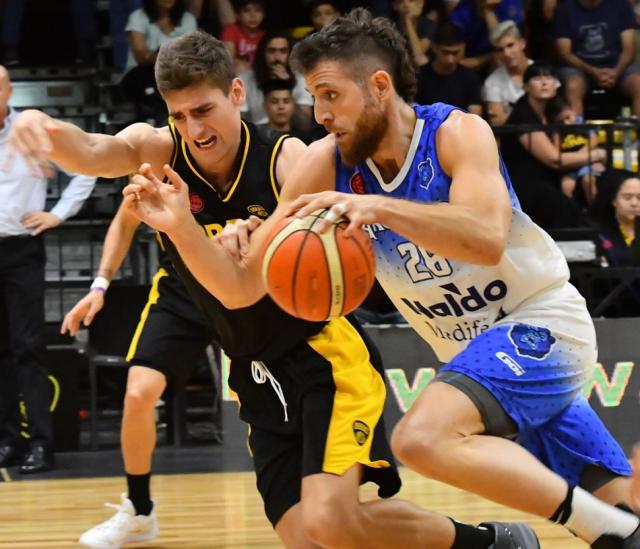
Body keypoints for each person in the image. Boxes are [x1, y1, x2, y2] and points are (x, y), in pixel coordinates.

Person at [115, 11, 640, 548]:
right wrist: (181, 226)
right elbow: (243, 287)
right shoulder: (324, 163)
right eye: (312, 98)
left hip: (540, 323)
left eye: (329, 95)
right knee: (623, 509)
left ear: (378, 86)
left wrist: (378, 207)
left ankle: (569, 529)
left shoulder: (458, 132)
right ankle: (605, 530)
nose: (318, 114)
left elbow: (484, 238)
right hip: (472, 357)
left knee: (422, 438)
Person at [6, 31, 538, 549]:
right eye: (180, 116)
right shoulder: (160, 149)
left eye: (204, 110)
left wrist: (258, 235)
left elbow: (289, 268)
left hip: (318, 358)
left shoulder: (290, 162)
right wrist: (42, 125)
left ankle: (486, 541)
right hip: (253, 366)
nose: (194, 129)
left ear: (237, 93)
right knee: (306, 535)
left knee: (333, 522)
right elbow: (96, 150)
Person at [60, 202, 216, 549]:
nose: (197, 141)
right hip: (181, 290)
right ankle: (140, 510)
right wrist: (99, 285)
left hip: (246, 282)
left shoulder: (269, 157)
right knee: (138, 394)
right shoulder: (158, 161)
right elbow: (124, 220)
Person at [0, 66, 97, 474]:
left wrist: (57, 214)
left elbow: (87, 168)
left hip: (21, 249)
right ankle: (7, 440)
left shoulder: (29, 127)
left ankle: (42, 443)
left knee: (28, 347)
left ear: (8, 90)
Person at [500, 63, 604, 229]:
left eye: (549, 77)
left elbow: (577, 139)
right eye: (537, 78)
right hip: (521, 184)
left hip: (549, 180)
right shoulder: (523, 114)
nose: (544, 82)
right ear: (526, 86)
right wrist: (595, 155)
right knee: (564, 207)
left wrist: (587, 151)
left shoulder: (554, 112)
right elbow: (554, 159)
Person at [554, 0, 640, 117]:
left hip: (618, 65)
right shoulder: (564, 9)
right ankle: (576, 133)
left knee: (638, 84)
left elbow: (629, 49)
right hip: (579, 68)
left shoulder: (621, 4)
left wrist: (616, 72)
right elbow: (564, 53)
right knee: (573, 86)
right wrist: (593, 71)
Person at [121, 0, 197, 123]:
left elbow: (191, 54)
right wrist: (170, 55)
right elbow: (141, 56)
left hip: (176, 72)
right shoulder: (137, 17)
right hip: (141, 74)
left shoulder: (188, 19)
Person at [238, 29, 314, 128]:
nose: (277, 57)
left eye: (283, 51)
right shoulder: (245, 79)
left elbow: (305, 123)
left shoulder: (300, 78)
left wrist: (288, 85)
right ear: (263, 53)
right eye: (271, 51)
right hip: (256, 136)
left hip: (292, 135)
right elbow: (240, 121)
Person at [545, 94, 604, 204]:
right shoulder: (557, 131)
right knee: (566, 185)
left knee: (588, 180)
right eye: (561, 121)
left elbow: (594, 139)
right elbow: (556, 151)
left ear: (573, 111)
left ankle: (594, 209)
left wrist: (581, 153)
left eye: (568, 117)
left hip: (586, 161)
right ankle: (571, 212)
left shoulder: (581, 123)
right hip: (570, 165)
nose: (566, 123)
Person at [415, 22, 483, 116]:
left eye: (455, 53)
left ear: (463, 47)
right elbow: (412, 113)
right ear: (434, 47)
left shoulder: (470, 78)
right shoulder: (419, 77)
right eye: (445, 52)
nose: (450, 59)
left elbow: (475, 116)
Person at [483, 20, 533, 126]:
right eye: (500, 50)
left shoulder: (543, 72)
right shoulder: (492, 82)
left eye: (510, 45)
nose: (506, 53)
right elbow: (498, 122)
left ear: (522, 43)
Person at [221, 0, 265, 72]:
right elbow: (228, 60)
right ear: (238, 15)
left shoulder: (264, 35)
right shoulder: (231, 30)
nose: (253, 16)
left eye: (257, 10)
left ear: (263, 15)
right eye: (246, 10)